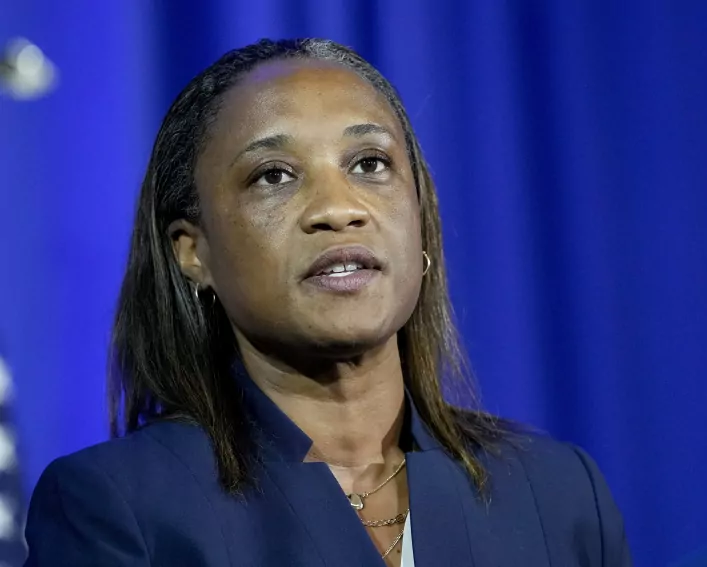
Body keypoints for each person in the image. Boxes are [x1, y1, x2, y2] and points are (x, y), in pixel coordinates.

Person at [23, 38, 632, 567]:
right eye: (274, 175)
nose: (339, 209)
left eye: (369, 164)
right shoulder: (119, 507)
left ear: (421, 220)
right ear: (193, 251)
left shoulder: (556, 492)